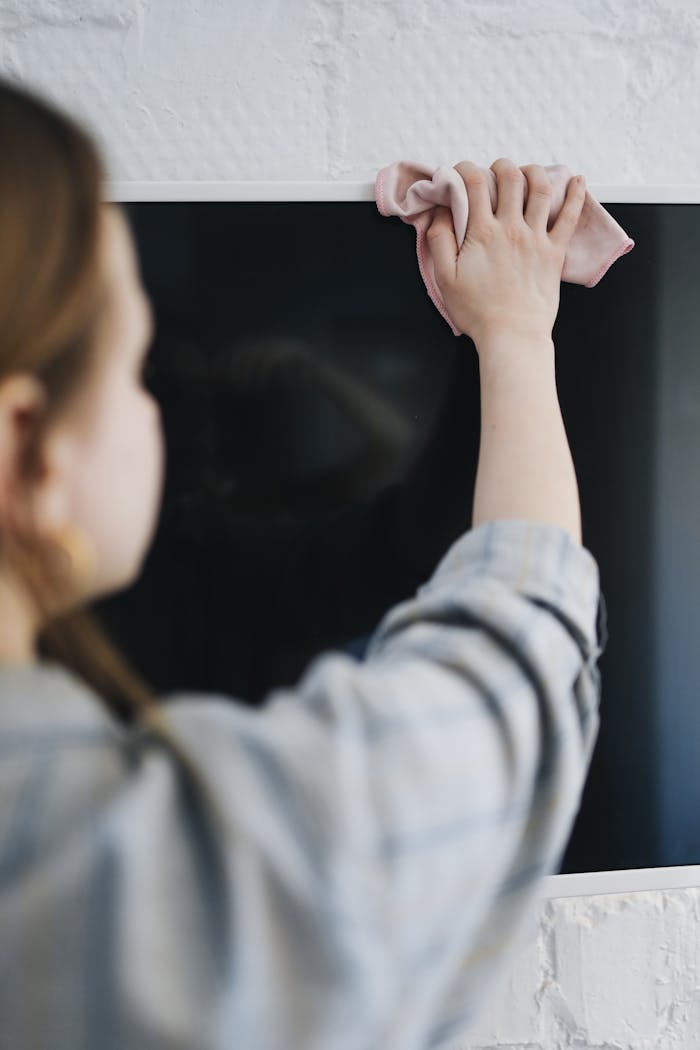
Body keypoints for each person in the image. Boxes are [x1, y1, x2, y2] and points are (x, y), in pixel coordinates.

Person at [0, 75, 605, 1050]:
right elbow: (515, 662)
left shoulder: (235, 563)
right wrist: (514, 334)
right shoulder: (179, 870)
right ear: (28, 441)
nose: (163, 422)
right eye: (134, 370)